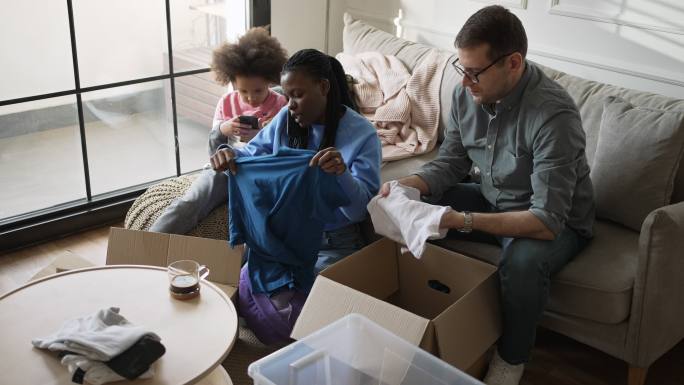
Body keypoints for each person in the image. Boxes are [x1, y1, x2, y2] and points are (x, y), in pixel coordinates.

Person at [379, 6, 594, 385]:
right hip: (492, 197)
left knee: (523, 264)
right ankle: (427, 317)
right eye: (461, 70)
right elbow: (451, 163)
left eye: (474, 72)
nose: (465, 82)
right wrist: (409, 186)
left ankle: (511, 361)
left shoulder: (553, 117)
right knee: (409, 206)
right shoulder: (468, 95)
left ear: (513, 63)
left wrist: (459, 220)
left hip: (552, 222)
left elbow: (545, 221)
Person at [211, 48, 382, 344]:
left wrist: (341, 174)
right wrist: (230, 158)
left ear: (324, 87)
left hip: (332, 243)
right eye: (287, 96)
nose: (290, 105)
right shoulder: (284, 121)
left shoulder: (362, 135)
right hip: (281, 239)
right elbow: (252, 158)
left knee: (310, 318)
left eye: (298, 95)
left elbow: (359, 210)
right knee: (256, 289)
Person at [150, 27, 288, 234]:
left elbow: (284, 149)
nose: (250, 98)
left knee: (262, 218)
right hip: (224, 168)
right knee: (190, 202)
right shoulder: (226, 102)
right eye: (243, 91)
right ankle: (147, 244)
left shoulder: (281, 104)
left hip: (261, 171)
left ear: (270, 80)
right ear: (231, 81)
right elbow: (213, 149)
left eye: (258, 91)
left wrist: (261, 135)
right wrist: (224, 128)